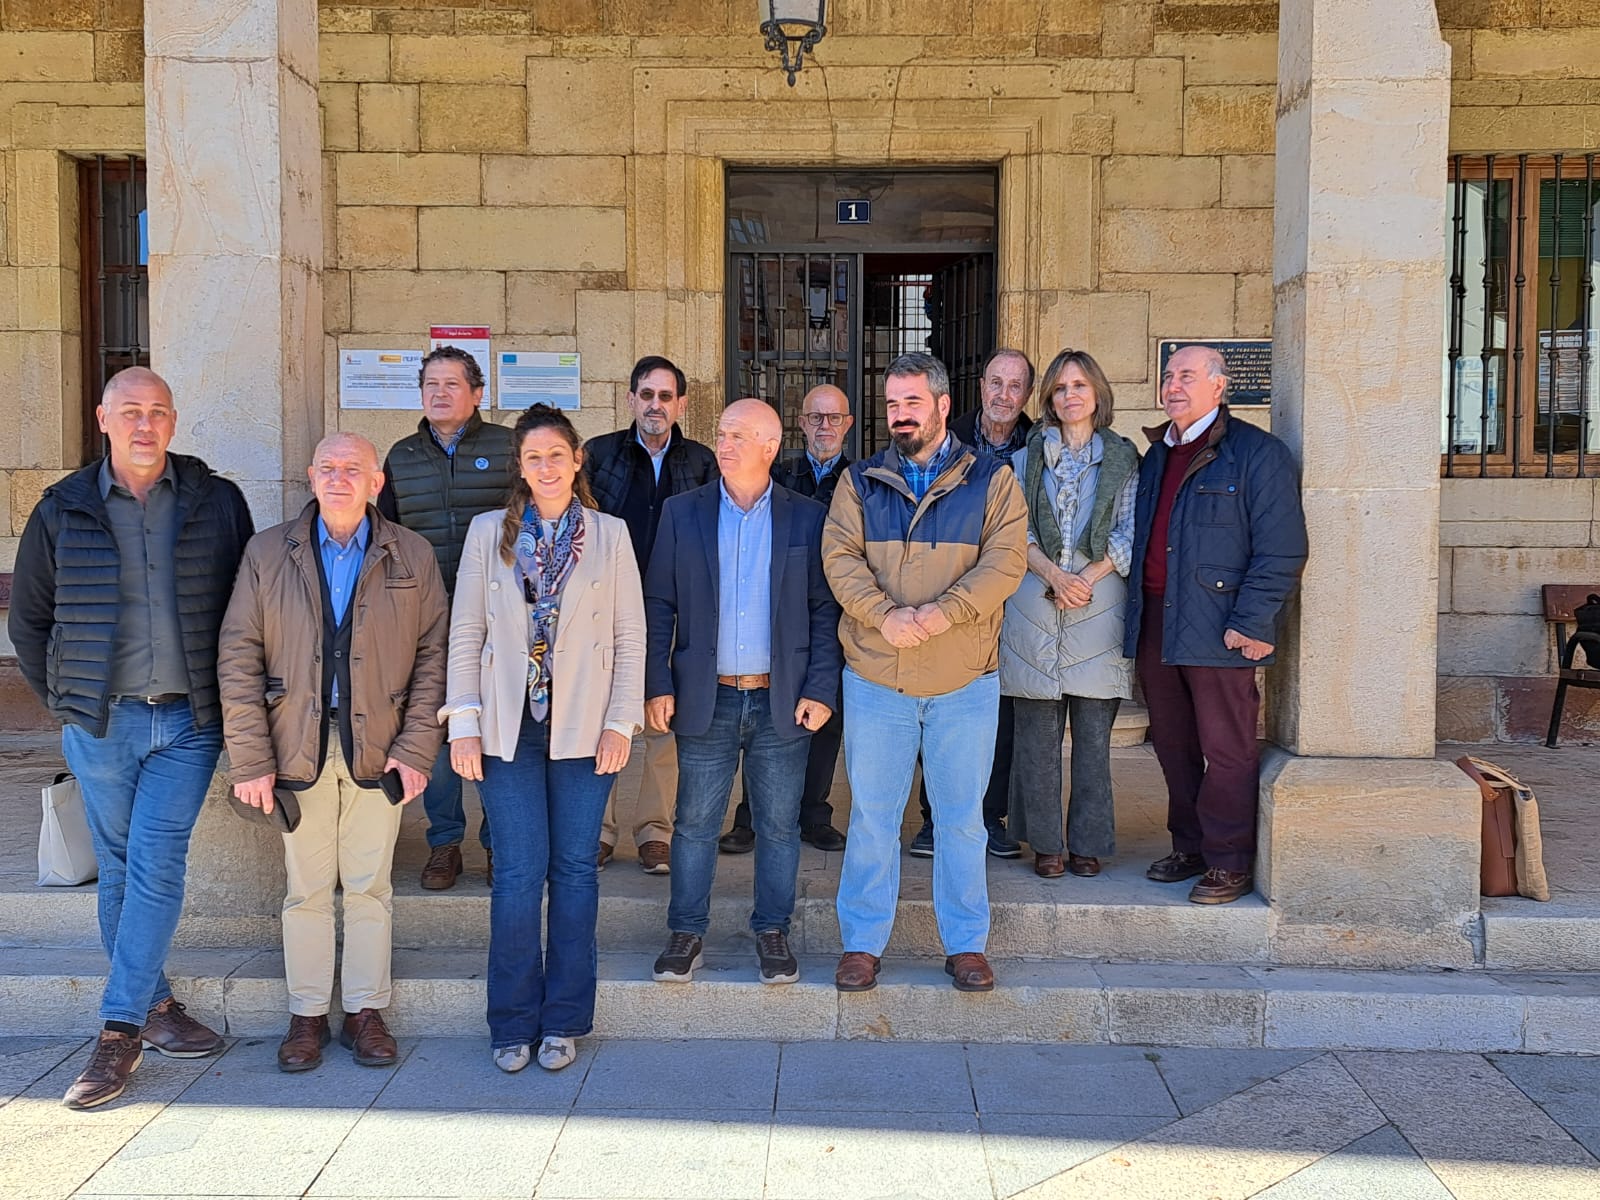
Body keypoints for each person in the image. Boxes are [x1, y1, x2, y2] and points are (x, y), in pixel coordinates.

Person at [9, 367, 253, 1110]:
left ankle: (118, 1033)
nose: (145, 424)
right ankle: (157, 1006)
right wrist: (67, 701)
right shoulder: (62, 507)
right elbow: (30, 619)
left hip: (187, 721)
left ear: (173, 421)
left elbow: (247, 606)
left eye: (158, 412)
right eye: (130, 412)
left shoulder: (216, 501)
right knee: (117, 868)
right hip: (102, 722)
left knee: (155, 862)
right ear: (103, 418)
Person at [219, 433, 448, 1072]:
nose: (339, 478)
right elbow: (238, 655)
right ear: (311, 476)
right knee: (307, 889)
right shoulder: (268, 552)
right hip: (297, 745)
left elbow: (435, 656)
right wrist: (251, 759)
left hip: (381, 747)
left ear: (377, 482)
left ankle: (366, 1011)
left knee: (371, 886)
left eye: (353, 468)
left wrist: (417, 748)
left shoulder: (411, 553)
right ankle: (308, 1014)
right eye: (328, 467)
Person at [442, 404, 645, 1073]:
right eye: (534, 457)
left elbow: (630, 634)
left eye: (558, 454)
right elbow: (466, 631)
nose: (547, 466)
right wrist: (463, 722)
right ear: (521, 468)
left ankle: (563, 1020)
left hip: (586, 726)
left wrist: (620, 721)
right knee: (517, 874)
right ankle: (511, 1022)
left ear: (577, 459)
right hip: (508, 727)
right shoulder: (488, 534)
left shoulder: (610, 535)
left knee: (576, 872)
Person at [823, 353, 1028, 994]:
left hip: (963, 679)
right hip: (877, 677)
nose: (900, 415)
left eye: (912, 402)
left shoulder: (992, 479)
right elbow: (840, 559)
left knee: (962, 819)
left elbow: (1005, 563)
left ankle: (965, 944)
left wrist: (944, 613)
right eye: (892, 404)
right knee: (872, 818)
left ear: (943, 405)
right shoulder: (860, 481)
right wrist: (884, 616)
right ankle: (862, 943)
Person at [644, 399, 842, 986]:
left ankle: (772, 931)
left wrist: (821, 687)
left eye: (738, 435)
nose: (724, 445)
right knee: (694, 823)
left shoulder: (808, 517)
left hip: (782, 699)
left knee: (779, 826)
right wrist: (658, 682)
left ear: (770, 447)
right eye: (722, 433)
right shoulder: (683, 512)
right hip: (707, 697)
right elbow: (659, 604)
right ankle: (686, 932)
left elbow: (825, 611)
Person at [1126, 345, 1308, 904]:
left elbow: (1282, 548)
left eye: (1187, 375)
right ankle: (1191, 846)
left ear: (1219, 385)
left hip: (1221, 623)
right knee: (1172, 743)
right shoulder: (1157, 455)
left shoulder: (1257, 454)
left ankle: (1229, 860)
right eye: (1168, 376)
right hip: (1157, 619)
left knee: (1227, 747)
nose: (1173, 386)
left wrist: (1251, 620)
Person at [378, 345, 514, 892]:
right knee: (434, 730)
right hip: (427, 616)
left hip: (497, 615)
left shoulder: (507, 448)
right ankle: (445, 842)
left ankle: (500, 843)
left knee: (496, 728)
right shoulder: (401, 456)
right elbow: (385, 538)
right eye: (430, 384)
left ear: (477, 394)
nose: (439, 393)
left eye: (451, 384)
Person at [1000, 350, 1139, 879]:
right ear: (1049, 400)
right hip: (1035, 602)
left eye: (1079, 385)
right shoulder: (1023, 461)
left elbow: (1129, 530)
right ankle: (1046, 843)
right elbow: (1014, 531)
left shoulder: (1124, 459)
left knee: (1093, 742)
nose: (1070, 395)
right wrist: (1055, 577)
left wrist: (1085, 579)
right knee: (1036, 741)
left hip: (1099, 607)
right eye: (1060, 388)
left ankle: (1087, 842)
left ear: (1097, 393)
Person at [583, 355, 718, 874]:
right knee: (603, 714)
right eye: (646, 395)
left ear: (680, 404)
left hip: (674, 605)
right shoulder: (599, 454)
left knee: (663, 717)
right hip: (607, 604)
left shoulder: (701, 461)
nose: (655, 406)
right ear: (631, 399)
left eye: (665, 396)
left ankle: (655, 831)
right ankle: (598, 830)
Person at [912, 347, 1036, 860]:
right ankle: (933, 819)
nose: (1003, 394)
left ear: (1027, 395)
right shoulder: (950, 438)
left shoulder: (1038, 444)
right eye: (995, 382)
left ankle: (990, 816)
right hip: (951, 590)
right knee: (939, 702)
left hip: (1019, 595)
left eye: (1015, 386)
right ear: (980, 386)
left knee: (998, 712)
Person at [720, 383, 852, 855]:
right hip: (779, 613)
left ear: (848, 425)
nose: (824, 426)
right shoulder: (778, 474)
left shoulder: (860, 481)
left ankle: (814, 815)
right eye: (815, 417)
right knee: (767, 718)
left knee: (824, 718)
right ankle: (750, 818)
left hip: (838, 610)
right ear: (800, 424)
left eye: (833, 418)